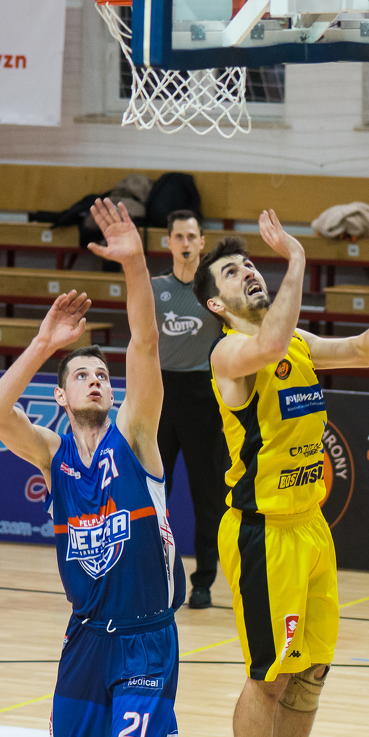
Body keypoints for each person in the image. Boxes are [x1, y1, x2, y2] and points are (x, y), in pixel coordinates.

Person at [192, 210, 369, 737]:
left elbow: (365, 352)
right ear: (215, 304)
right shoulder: (229, 354)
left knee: (312, 669)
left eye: (249, 264)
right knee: (269, 678)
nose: (248, 273)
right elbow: (266, 344)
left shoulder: (298, 342)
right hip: (262, 533)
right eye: (232, 272)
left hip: (310, 527)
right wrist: (296, 257)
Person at [0, 197, 186, 737]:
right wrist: (46, 342)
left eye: (102, 374)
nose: (96, 379)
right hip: (86, 637)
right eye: (82, 375)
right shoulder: (53, 454)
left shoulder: (136, 435)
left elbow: (145, 343)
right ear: (62, 398)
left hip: (146, 637)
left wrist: (134, 265)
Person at [151, 209, 228, 610]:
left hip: (203, 397)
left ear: (202, 243)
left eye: (191, 237)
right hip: (161, 395)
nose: (184, 243)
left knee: (207, 495)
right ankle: (155, 576)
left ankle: (204, 582)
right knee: (153, 492)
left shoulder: (216, 290)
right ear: (168, 242)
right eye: (178, 236)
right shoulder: (154, 288)